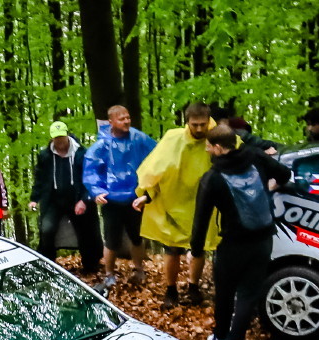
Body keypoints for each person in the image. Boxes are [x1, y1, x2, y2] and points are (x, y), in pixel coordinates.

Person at [192, 124, 291, 340]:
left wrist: (196, 250)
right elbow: (284, 174)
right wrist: (269, 188)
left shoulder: (212, 178)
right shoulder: (255, 156)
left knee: (225, 291)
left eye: (208, 146)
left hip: (232, 244)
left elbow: (201, 220)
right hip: (262, 240)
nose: (207, 149)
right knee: (247, 295)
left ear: (217, 148)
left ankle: (221, 338)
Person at [134, 102, 218, 308]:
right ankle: (171, 290)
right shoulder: (172, 139)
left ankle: (193, 287)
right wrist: (147, 195)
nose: (199, 129)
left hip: (203, 205)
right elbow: (155, 170)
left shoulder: (217, 138)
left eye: (203, 124)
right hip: (173, 204)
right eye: (194, 124)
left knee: (198, 249)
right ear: (187, 122)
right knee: (172, 249)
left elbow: (240, 152)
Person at [82, 104, 157, 293]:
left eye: (128, 117)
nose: (126, 121)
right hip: (111, 200)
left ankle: (139, 269)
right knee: (111, 239)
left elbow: (157, 157)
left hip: (135, 197)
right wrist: (96, 191)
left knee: (137, 236)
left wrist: (148, 190)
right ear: (111, 122)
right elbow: (91, 170)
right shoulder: (102, 145)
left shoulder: (139, 139)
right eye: (121, 118)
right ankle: (109, 274)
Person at [30, 120, 101, 275]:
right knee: (47, 229)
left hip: (77, 199)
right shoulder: (45, 155)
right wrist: (34, 198)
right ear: (52, 138)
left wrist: (84, 200)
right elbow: (40, 178)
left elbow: (90, 178)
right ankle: (48, 267)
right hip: (54, 201)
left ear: (67, 135)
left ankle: (90, 266)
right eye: (56, 138)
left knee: (85, 231)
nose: (59, 141)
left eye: (62, 137)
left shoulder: (82, 153)